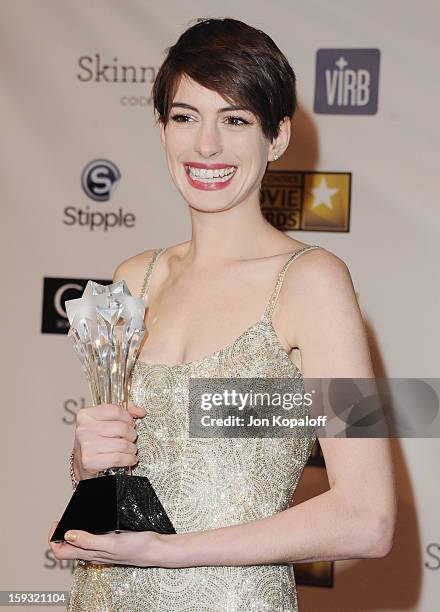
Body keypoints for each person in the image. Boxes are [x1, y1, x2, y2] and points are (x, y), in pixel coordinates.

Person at [49, 17, 397, 611]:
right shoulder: (136, 278)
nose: (206, 145)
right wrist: (87, 463)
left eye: (235, 120)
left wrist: (167, 551)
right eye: (186, 117)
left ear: (278, 136)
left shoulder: (312, 283)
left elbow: (368, 517)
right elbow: (118, 484)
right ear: (161, 129)